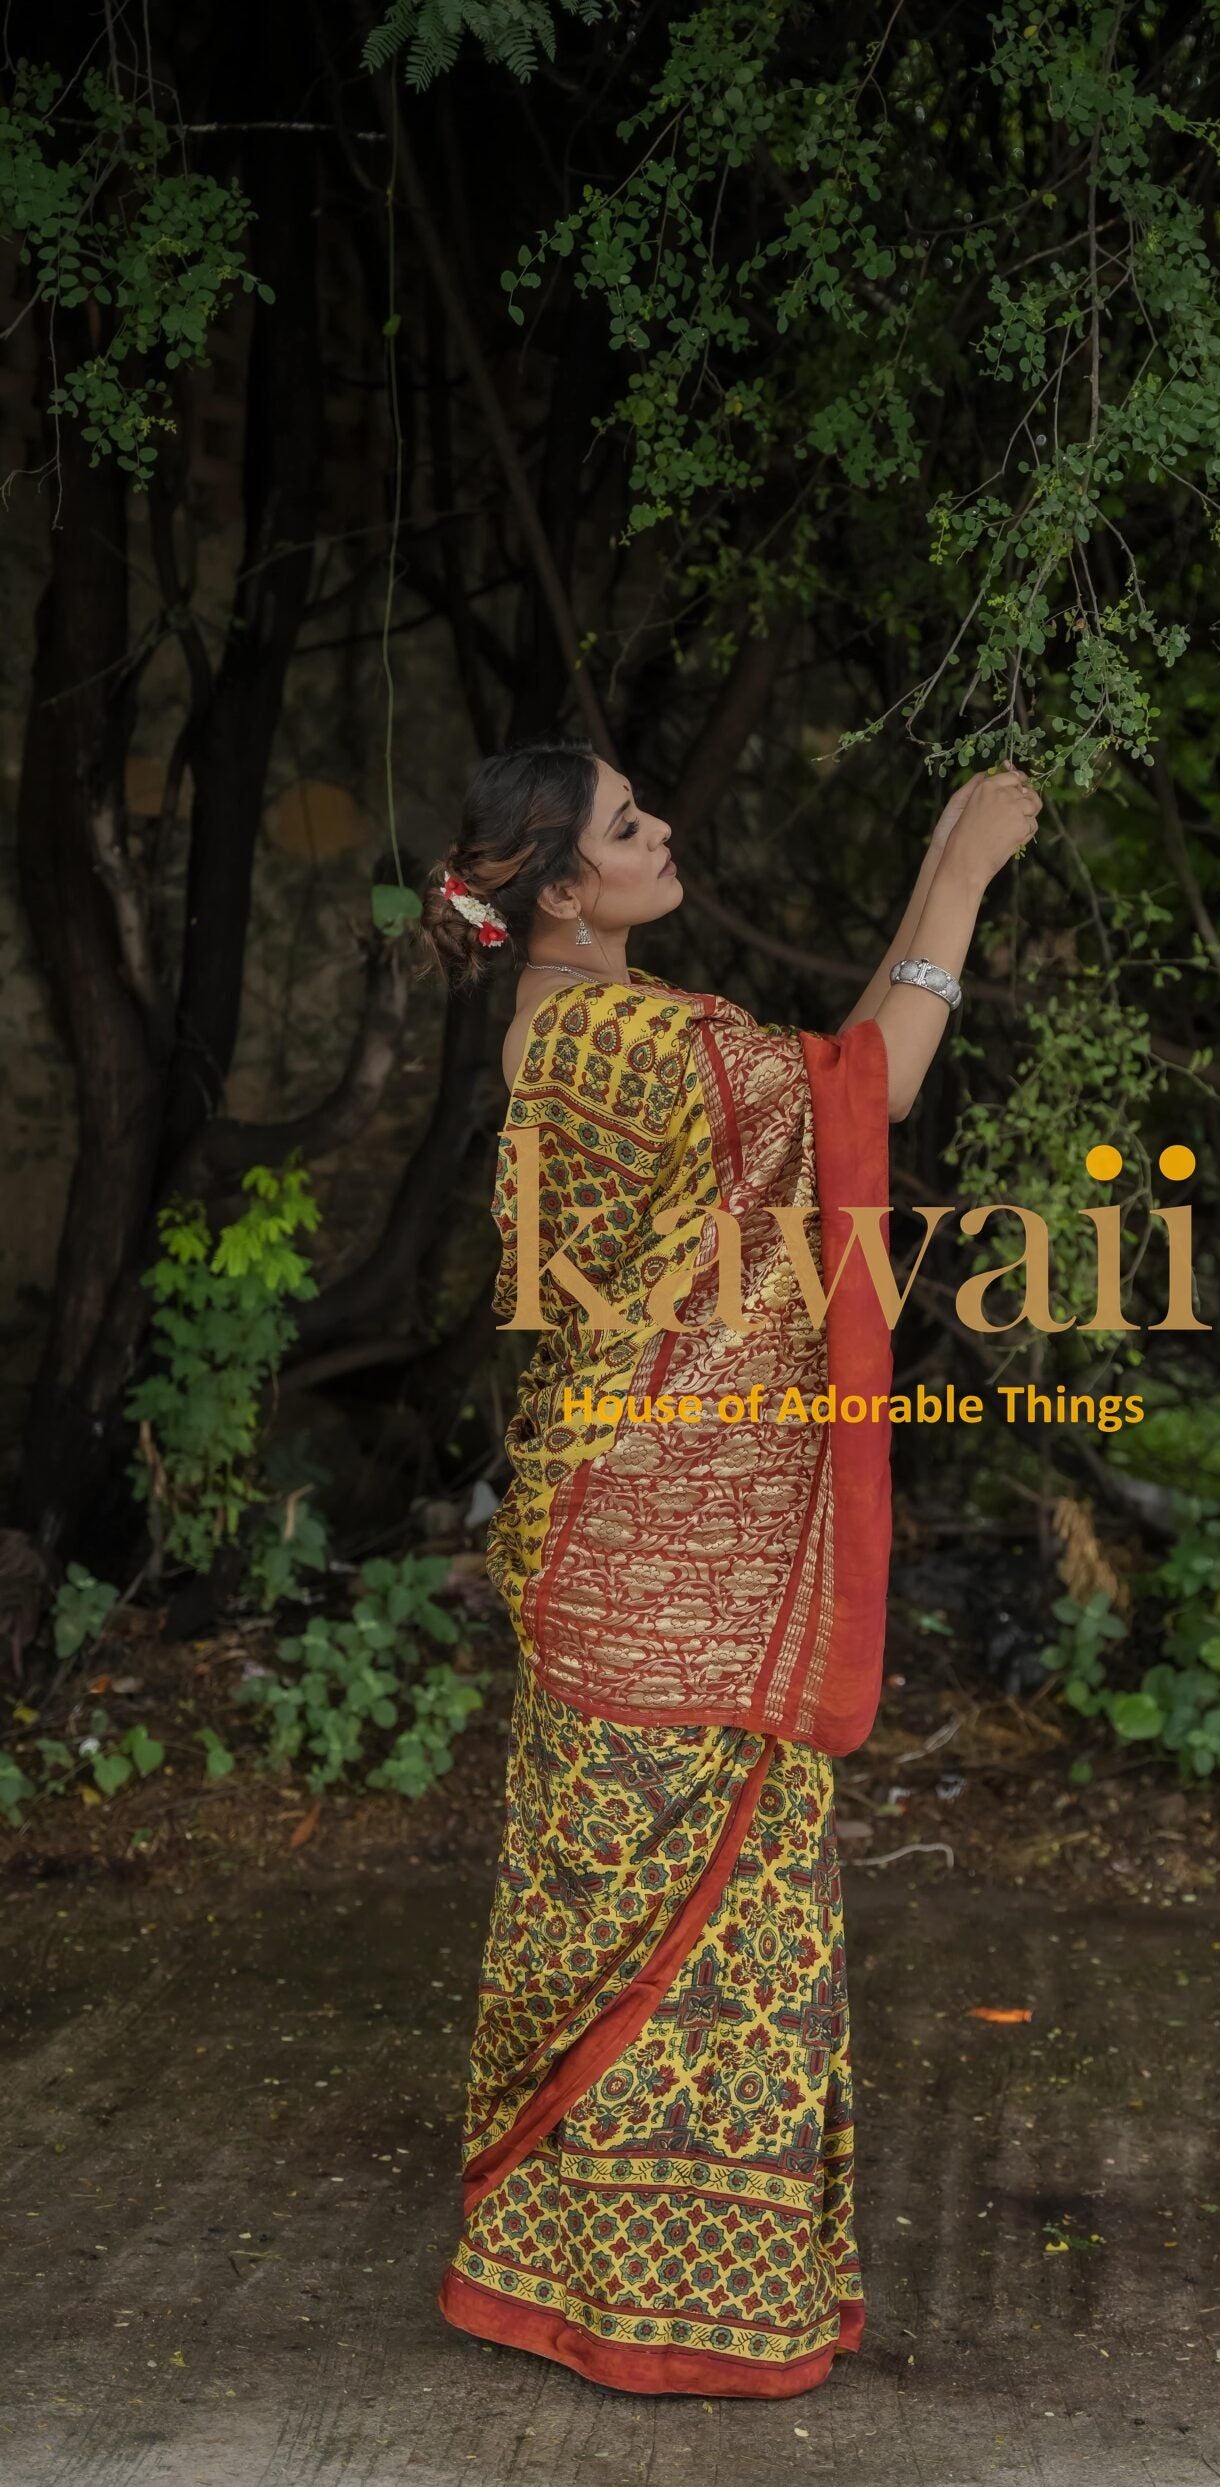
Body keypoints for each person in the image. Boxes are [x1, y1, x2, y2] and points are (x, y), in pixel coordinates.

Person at [423, 735, 1041, 2397]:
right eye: (629, 826)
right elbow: (872, 1093)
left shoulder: (581, 1026)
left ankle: (560, 2279)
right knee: (705, 1934)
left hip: (627, 1534)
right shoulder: (626, 1041)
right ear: (564, 887)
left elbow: (832, 1071)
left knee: (626, 1918)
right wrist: (972, 876)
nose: (664, 830)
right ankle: (671, 2316)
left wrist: (934, 846)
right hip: (670, 1559)